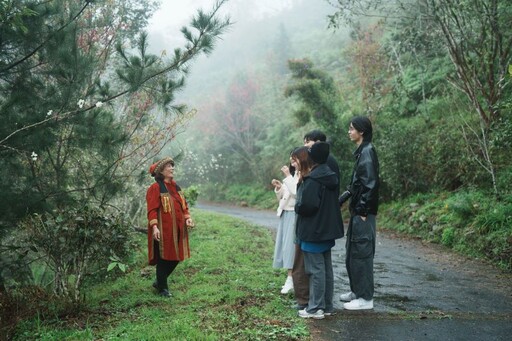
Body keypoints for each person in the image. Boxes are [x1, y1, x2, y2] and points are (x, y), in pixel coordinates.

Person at [292, 130, 341, 310]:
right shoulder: (328, 174)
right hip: (326, 229)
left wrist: (297, 206)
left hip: (314, 231)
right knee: (326, 268)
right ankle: (326, 306)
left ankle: (315, 308)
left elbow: (308, 206)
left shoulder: (313, 179)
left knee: (316, 270)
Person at [338, 116, 380, 310]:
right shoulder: (362, 152)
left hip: (363, 213)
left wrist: (363, 210)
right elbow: (356, 183)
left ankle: (365, 298)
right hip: (357, 211)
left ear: (361, 131)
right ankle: (356, 291)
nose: (349, 131)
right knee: (352, 252)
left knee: (362, 253)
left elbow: (370, 184)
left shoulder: (368, 152)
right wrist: (342, 199)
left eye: (352, 128)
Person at [146, 157, 194, 298]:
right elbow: (152, 210)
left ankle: (159, 281)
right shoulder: (155, 188)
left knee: (176, 256)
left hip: (178, 228)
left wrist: (188, 218)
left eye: (172, 166)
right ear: (161, 171)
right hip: (164, 229)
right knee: (164, 258)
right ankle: (163, 289)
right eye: (169, 166)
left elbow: (183, 206)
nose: (172, 168)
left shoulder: (176, 187)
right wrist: (155, 227)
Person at [271, 151, 299, 294]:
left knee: (290, 248)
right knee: (285, 247)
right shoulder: (294, 175)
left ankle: (291, 279)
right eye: (291, 160)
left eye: (294, 160)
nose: (292, 163)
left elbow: (296, 193)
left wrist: (288, 176)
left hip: (294, 214)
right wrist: (279, 187)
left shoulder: (300, 174)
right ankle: (290, 279)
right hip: (285, 213)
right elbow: (286, 195)